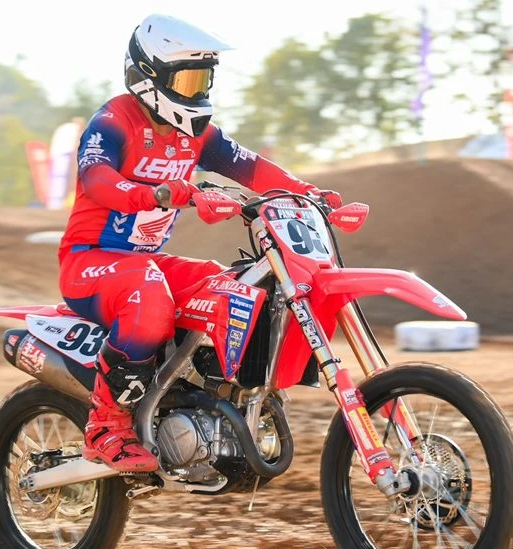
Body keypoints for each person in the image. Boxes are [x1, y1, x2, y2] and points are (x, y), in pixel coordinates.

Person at [58, 14, 342, 472]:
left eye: (203, 80)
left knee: (227, 285)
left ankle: (207, 398)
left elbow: (251, 167)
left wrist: (308, 192)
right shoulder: (113, 121)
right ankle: (105, 426)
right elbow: (97, 181)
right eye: (187, 80)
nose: (197, 92)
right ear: (148, 76)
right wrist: (157, 193)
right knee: (149, 295)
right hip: (90, 262)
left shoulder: (197, 134)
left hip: (146, 262)